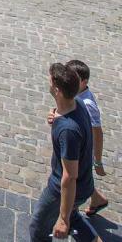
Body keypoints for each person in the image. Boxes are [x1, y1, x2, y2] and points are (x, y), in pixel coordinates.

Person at [30, 63, 94, 241]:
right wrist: (55, 114)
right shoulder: (77, 103)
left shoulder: (68, 131)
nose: (48, 83)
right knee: (74, 218)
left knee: (38, 227)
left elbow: (69, 176)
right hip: (83, 185)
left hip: (62, 189)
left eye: (50, 81)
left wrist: (63, 219)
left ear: (57, 90)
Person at [47, 61, 108, 219]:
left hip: (81, 150)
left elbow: (97, 132)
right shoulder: (76, 97)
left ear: (84, 82)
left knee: (75, 178)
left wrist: (98, 161)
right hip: (80, 150)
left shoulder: (86, 103)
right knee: (82, 177)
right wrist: (56, 114)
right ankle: (97, 199)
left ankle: (69, 215)